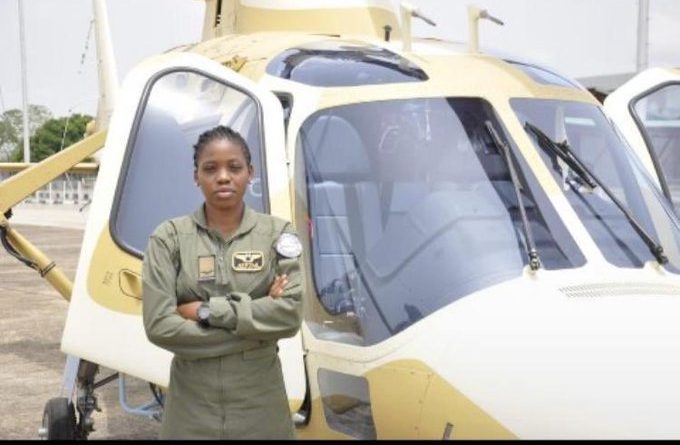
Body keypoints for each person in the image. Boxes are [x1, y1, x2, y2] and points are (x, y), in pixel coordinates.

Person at [141, 125, 303, 439]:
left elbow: (290, 315)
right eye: (210, 168)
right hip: (191, 410)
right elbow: (159, 325)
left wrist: (206, 311)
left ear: (250, 173)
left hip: (261, 409)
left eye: (235, 167)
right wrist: (257, 329)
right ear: (196, 176)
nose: (223, 177)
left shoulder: (278, 235)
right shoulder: (169, 238)